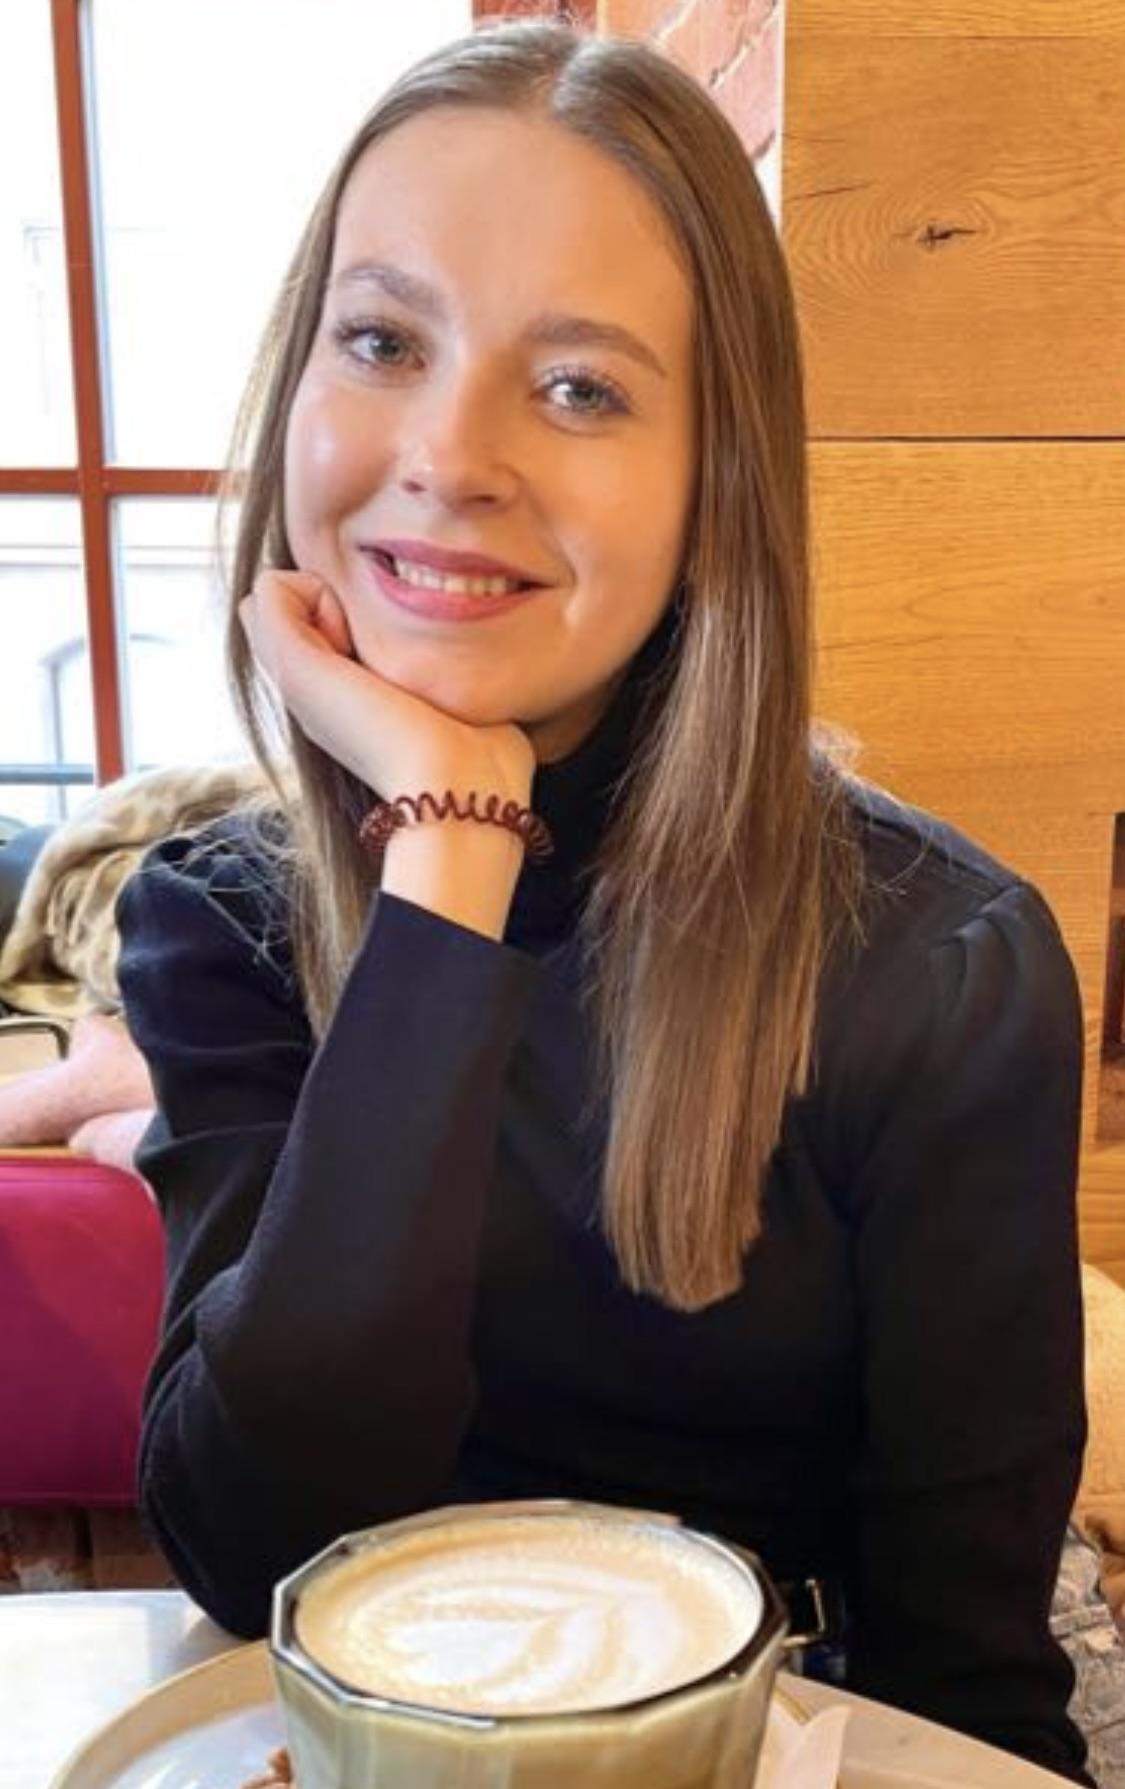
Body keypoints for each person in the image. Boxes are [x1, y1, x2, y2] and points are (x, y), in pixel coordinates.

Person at [116, 20, 1090, 1783]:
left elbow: (961, 1678)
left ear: (718, 485)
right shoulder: (218, 922)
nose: (447, 454)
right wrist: (451, 854)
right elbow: (258, 1545)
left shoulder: (939, 963)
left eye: (577, 387)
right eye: (383, 340)